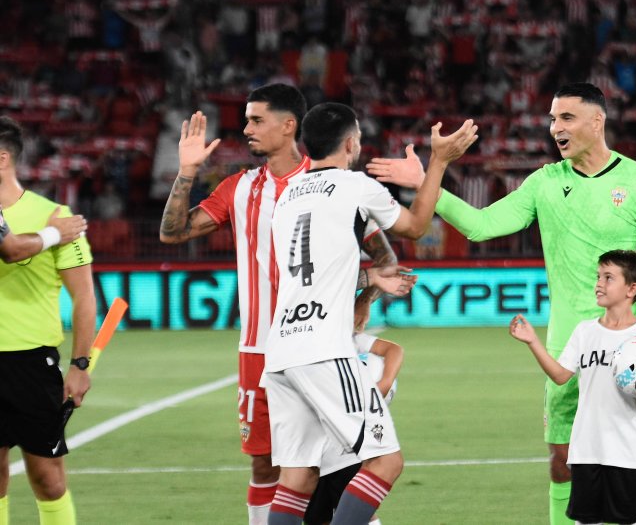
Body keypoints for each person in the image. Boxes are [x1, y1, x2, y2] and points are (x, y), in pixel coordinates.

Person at [367, 82, 636, 525]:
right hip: (567, 345)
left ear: (597, 121)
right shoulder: (545, 183)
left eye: (567, 118)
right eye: (553, 119)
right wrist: (427, 182)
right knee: (562, 461)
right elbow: (480, 225)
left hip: (631, 347)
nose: (556, 128)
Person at [157, 84, 406, 525]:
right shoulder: (238, 188)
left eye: (257, 120)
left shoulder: (334, 184)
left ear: (289, 125)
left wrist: (364, 297)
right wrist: (187, 173)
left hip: (322, 345)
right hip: (259, 348)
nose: (246, 129)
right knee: (266, 465)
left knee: (341, 463)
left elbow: (385, 259)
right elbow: (172, 233)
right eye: (246, 120)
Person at [262, 102, 476, 525]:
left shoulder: (287, 195)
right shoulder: (355, 186)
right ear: (350, 144)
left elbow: (313, 268)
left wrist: (367, 282)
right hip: (323, 347)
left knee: (298, 478)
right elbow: (416, 226)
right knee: (385, 461)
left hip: (282, 347)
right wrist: (438, 162)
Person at [509, 250, 636, 525]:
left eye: (608, 278)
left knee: (631, 520)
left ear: (632, 289)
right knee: (586, 521)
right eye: (598, 276)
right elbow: (560, 376)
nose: (599, 283)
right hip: (585, 450)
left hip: (626, 453)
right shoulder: (585, 332)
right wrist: (532, 342)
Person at [0, 116, 95, 525]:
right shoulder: (57, 224)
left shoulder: (54, 213)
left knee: (48, 479)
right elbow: (11, 250)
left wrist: (80, 364)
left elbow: (84, 296)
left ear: (3, 158)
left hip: (31, 363)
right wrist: (52, 233)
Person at [305, 302, 408, 525]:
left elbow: (394, 350)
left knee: (355, 506)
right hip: (315, 441)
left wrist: (384, 383)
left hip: (348, 439)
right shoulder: (306, 347)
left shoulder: (351, 340)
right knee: (315, 516)